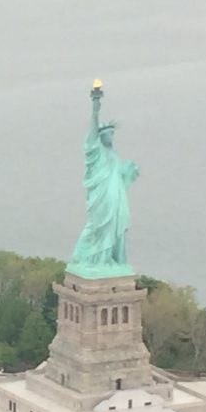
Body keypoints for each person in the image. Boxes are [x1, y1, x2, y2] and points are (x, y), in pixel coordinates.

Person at [67, 81, 140, 278]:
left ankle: (108, 259)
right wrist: (95, 106)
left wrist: (129, 173)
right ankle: (90, 259)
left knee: (114, 228)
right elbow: (92, 130)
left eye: (112, 135)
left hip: (115, 199)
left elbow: (119, 178)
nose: (111, 138)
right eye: (107, 134)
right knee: (97, 227)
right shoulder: (96, 152)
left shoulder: (113, 156)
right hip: (100, 199)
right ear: (100, 137)